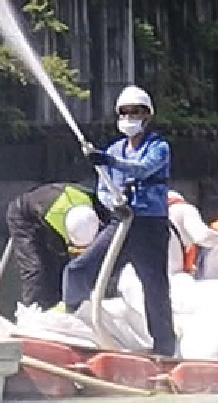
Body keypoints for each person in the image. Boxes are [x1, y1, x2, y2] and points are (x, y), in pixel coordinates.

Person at [62, 85, 176, 356]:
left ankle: (165, 348)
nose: (129, 118)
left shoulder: (159, 147)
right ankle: (71, 322)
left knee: (155, 288)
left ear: (147, 115)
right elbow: (103, 188)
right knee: (79, 269)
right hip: (120, 224)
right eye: (124, 113)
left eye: (135, 112)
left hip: (149, 226)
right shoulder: (115, 149)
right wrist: (113, 201)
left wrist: (107, 160)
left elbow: (143, 169)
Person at [2, 183, 108, 310]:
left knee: (72, 266)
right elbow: (72, 259)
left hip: (57, 200)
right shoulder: (56, 220)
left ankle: (72, 305)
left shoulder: (94, 207)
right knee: (36, 269)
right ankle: (35, 313)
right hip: (25, 217)